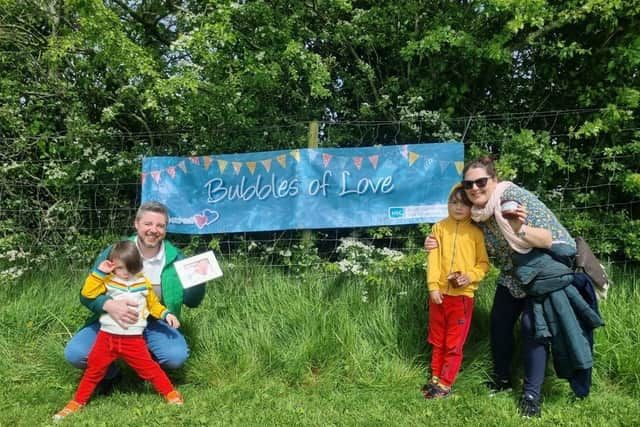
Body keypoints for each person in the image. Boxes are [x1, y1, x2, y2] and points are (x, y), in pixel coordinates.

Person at [425, 156, 603, 417]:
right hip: (513, 274)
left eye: (481, 182)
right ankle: (502, 379)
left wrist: (519, 228)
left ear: (494, 180)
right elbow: (454, 231)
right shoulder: (477, 214)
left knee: (534, 328)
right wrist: (432, 242)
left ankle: (531, 394)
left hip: (541, 271)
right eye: (468, 184)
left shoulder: (514, 198)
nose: (474, 188)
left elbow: (547, 238)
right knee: (499, 323)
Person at [64, 201, 206, 392]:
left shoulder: (177, 258)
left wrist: (199, 280)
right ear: (136, 224)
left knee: (175, 356)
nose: (153, 230)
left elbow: (192, 302)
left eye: (160, 225)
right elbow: (86, 294)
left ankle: (146, 367)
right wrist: (108, 305)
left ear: (165, 229)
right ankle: (109, 373)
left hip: (155, 320)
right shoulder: (116, 251)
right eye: (148, 224)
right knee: (76, 354)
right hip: (111, 319)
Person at [54, 240, 184, 421]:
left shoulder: (142, 282)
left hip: (133, 339)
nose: (126, 273)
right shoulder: (107, 281)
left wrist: (166, 314)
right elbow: (87, 293)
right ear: (113, 266)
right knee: (94, 369)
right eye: (121, 268)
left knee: (149, 369)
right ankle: (77, 402)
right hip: (106, 338)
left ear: (137, 266)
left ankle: (170, 393)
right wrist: (99, 272)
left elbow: (153, 305)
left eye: (130, 268)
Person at [421, 184, 490, 399]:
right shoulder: (439, 229)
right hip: (439, 296)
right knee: (437, 339)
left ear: (473, 207)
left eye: (465, 203)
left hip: (462, 298)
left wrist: (469, 276)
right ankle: (434, 377)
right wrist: (433, 286)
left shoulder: (477, 234)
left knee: (453, 343)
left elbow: (483, 265)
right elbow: (432, 260)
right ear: (447, 204)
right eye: (454, 202)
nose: (459, 207)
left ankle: (445, 383)